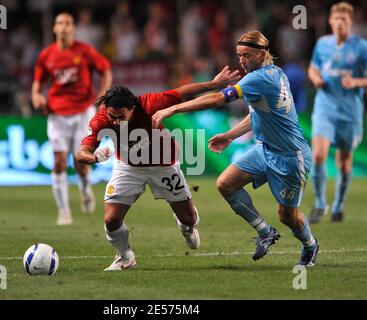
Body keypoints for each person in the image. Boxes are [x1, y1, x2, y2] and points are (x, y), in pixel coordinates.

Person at [152, 31, 320, 266]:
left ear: (262, 54)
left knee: (288, 217)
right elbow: (258, 116)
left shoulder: (258, 79)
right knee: (225, 184)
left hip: (290, 156)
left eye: (247, 55)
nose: (242, 61)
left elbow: (217, 100)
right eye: (239, 55)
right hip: (265, 149)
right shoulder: (275, 73)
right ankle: (265, 232)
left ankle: (310, 245)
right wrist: (230, 136)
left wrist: (174, 109)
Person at [76, 67, 240, 271]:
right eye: (112, 116)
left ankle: (186, 226)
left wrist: (213, 85)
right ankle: (125, 258)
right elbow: (80, 153)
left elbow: (181, 91)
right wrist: (93, 157)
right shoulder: (100, 120)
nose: (116, 122)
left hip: (163, 165)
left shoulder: (149, 103)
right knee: (111, 219)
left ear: (132, 108)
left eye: (121, 116)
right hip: (128, 167)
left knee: (188, 218)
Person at [32, 12, 112, 225]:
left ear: (73, 28)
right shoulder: (47, 55)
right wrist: (36, 96)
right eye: (60, 23)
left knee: (80, 161)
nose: (64, 27)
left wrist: (103, 94)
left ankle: (85, 187)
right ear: (54, 29)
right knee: (58, 161)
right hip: (57, 114)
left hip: (82, 112)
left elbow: (105, 70)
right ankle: (64, 211)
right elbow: (37, 83)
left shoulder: (84, 51)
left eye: (68, 23)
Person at [308, 2, 367, 223]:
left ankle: (339, 205)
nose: (340, 23)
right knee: (319, 155)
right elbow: (313, 67)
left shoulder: (361, 47)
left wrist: (357, 81)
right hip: (325, 107)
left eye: (345, 19)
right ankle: (319, 203)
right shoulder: (322, 44)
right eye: (337, 19)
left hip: (350, 111)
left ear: (350, 23)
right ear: (331, 21)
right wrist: (315, 78)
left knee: (344, 161)